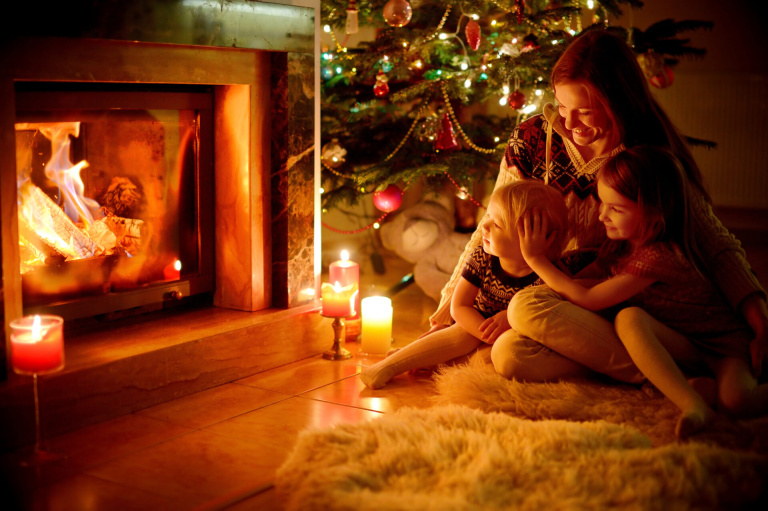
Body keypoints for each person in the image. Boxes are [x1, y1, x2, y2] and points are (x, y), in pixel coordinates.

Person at [427, 29, 767, 384]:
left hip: (618, 307)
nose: (569, 124)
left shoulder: (644, 157)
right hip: (557, 300)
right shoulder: (531, 140)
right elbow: (491, 224)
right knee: (510, 356)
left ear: (619, 102)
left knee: (524, 315)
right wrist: (448, 305)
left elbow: (714, 244)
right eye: (560, 106)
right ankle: (649, 368)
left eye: (585, 112)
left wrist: (761, 321)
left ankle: (659, 373)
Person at [518, 146, 767, 438]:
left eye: (616, 209)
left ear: (654, 215)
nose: (602, 216)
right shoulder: (623, 240)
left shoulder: (659, 256)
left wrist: (536, 260)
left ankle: (693, 404)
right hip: (680, 341)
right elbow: (591, 283)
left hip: (722, 343)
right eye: (602, 203)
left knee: (736, 401)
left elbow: (589, 298)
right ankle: (692, 393)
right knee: (629, 317)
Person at [359, 181, 568, 389]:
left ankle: (421, 358)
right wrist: (483, 332)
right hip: (474, 327)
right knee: (462, 336)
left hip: (510, 340)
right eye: (488, 217)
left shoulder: (548, 273)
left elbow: (547, 319)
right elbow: (459, 307)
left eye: (497, 224)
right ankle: (392, 364)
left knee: (494, 359)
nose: (484, 226)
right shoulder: (482, 257)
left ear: (538, 238)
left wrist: (511, 318)